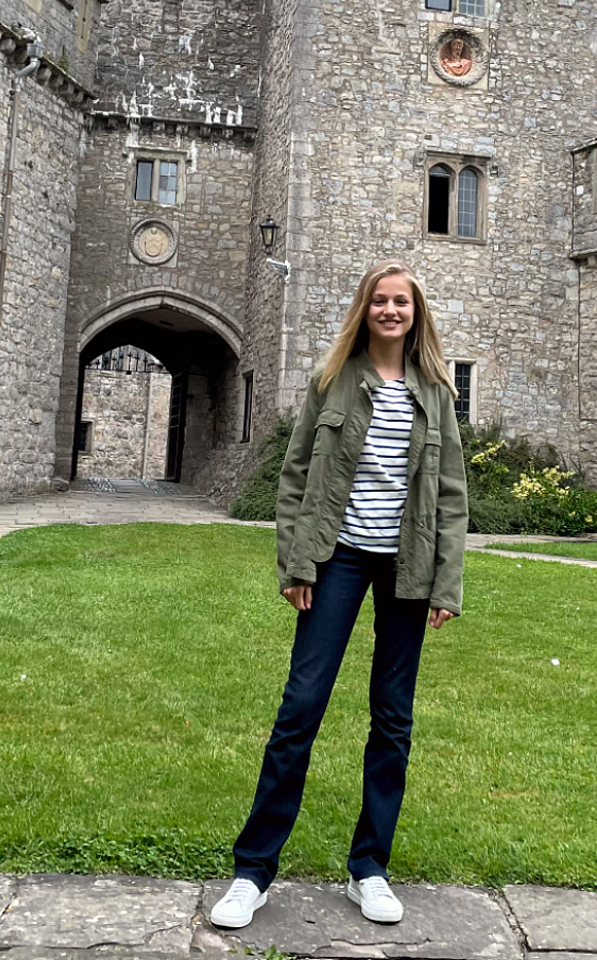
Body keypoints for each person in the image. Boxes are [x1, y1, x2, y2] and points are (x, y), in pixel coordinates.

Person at [209, 261, 468, 929]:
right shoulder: (333, 383)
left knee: (393, 718)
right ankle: (253, 872)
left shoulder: (436, 391)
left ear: (416, 314)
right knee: (301, 708)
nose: (390, 311)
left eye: (401, 302)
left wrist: (447, 583)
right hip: (337, 559)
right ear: (365, 309)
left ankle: (369, 868)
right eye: (380, 301)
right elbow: (295, 477)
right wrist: (296, 564)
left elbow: (450, 497)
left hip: (407, 568)